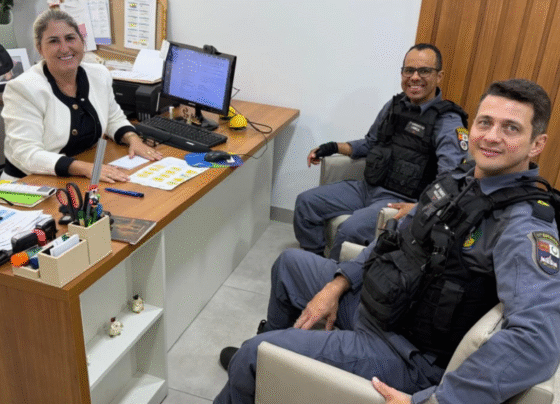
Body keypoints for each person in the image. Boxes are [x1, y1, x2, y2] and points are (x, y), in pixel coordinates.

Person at [214, 78, 560, 404]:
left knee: (253, 354)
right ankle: (264, 376)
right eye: (485, 122)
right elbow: (392, 239)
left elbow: (538, 341)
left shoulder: (522, 226)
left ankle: (258, 362)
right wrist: (338, 283)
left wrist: (438, 400)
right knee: (290, 265)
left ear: (537, 144)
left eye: (511, 128)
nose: (492, 136)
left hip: (403, 353)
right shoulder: (460, 180)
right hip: (380, 304)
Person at [294, 43, 469, 259]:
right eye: (409, 70)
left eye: (424, 71)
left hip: (398, 200)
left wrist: (418, 208)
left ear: (439, 76)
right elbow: (369, 143)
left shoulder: (448, 122)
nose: (414, 77)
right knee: (306, 203)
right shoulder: (394, 106)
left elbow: (450, 180)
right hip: (367, 188)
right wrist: (331, 147)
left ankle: (334, 275)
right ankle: (315, 260)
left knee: (349, 230)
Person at [0, 8, 162, 182]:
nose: (64, 48)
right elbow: (26, 154)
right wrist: (85, 168)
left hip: (78, 174)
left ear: (82, 41)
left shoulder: (99, 74)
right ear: (40, 49)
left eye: (70, 38)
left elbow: (113, 117)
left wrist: (133, 139)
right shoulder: (22, 88)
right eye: (53, 41)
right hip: (26, 183)